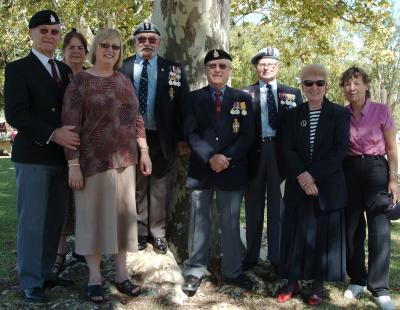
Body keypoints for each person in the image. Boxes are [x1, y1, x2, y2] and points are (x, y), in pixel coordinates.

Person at [62, 28, 152, 303]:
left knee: (122, 221)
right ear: (95, 49)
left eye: (115, 46)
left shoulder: (124, 81)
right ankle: (94, 277)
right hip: (92, 164)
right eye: (104, 45)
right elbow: (70, 126)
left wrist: (144, 150)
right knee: (92, 221)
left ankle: (122, 276)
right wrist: (73, 164)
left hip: (125, 162)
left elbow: (136, 117)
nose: (110, 50)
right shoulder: (80, 83)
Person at [4, 9, 78, 303]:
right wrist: (53, 133)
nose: (50, 36)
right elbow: (16, 114)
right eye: (44, 31)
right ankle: (30, 280)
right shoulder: (18, 68)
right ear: (32, 34)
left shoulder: (65, 70)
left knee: (53, 220)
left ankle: (46, 273)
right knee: (33, 221)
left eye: (55, 31)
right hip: (33, 154)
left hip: (60, 159)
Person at [181, 49, 255, 297]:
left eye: (222, 65)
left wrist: (227, 158)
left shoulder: (243, 99)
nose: (217, 70)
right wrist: (210, 157)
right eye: (212, 65)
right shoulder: (193, 98)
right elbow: (190, 133)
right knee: (199, 221)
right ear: (206, 69)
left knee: (231, 222)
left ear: (230, 69)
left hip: (232, 169)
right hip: (202, 169)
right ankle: (195, 270)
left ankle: (233, 271)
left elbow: (248, 135)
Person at [277, 64, 349, 306]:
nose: (314, 87)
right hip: (299, 186)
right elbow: (287, 149)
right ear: (302, 86)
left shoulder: (339, 114)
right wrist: (302, 176)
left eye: (319, 83)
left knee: (322, 236)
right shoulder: (292, 115)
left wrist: (313, 175)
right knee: (296, 234)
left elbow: (340, 150)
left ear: (326, 85)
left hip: (327, 185)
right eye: (308, 83)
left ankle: (317, 285)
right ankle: (292, 281)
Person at [120, 22, 189, 255]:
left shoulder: (174, 70)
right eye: (142, 39)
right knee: (138, 186)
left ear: (159, 43)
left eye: (152, 39)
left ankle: (158, 234)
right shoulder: (123, 67)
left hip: (163, 136)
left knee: (160, 186)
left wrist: (182, 138)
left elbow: (183, 106)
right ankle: (140, 233)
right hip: (131, 137)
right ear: (135, 42)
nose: (147, 43)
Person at [340, 66, 398, 310]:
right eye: (347, 84)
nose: (352, 88)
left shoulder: (381, 111)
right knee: (352, 227)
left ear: (366, 85)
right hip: (349, 170)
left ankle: (380, 288)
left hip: (376, 170)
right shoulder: (340, 114)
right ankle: (357, 279)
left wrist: (394, 179)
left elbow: (392, 148)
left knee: (379, 230)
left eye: (356, 83)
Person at [242, 47, 303, 274]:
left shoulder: (293, 93)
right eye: (262, 64)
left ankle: (277, 257)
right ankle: (251, 256)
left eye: (271, 64)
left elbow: (298, 129)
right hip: (254, 153)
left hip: (281, 155)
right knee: (253, 207)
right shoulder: (244, 94)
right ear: (256, 67)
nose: (266, 67)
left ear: (278, 66)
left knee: (279, 208)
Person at [53, 28, 88, 275]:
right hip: (58, 149)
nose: (75, 51)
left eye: (80, 48)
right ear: (63, 51)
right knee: (61, 205)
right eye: (71, 48)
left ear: (86, 53)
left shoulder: (92, 77)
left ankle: (84, 252)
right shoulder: (55, 75)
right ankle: (57, 256)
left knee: (85, 204)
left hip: (88, 150)